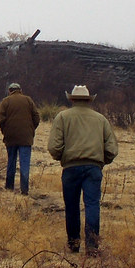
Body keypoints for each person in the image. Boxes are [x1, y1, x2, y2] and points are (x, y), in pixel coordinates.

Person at [47, 85, 118, 254]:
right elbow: (111, 148)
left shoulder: (62, 117)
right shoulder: (100, 119)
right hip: (93, 168)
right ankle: (92, 245)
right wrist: (101, 161)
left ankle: (74, 243)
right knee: (92, 205)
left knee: (71, 206)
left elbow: (53, 146)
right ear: (88, 99)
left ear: (71, 99)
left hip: (71, 168)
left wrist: (63, 157)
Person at [0, 83, 40, 195]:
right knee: (24, 163)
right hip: (26, 137)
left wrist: (5, 131)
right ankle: (24, 189)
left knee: (11, 161)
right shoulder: (28, 100)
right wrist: (31, 129)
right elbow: (36, 117)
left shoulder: (6, 101)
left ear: (10, 90)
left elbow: (0, 119)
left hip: (10, 136)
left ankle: (9, 187)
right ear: (20, 90)